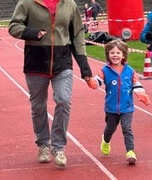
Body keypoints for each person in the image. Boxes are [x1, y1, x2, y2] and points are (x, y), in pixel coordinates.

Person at [8, 0, 96, 167]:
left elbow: (77, 34)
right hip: (36, 62)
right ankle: (43, 145)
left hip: (62, 62)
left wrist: (85, 68)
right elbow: (13, 26)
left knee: (63, 100)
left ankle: (58, 146)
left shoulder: (69, 4)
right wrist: (31, 33)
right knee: (38, 107)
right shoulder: (27, 3)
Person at [89, 39, 151, 164]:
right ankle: (105, 141)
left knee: (127, 128)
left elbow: (136, 84)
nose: (115, 55)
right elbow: (97, 82)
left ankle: (130, 151)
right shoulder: (105, 70)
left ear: (123, 55)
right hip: (111, 108)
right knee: (110, 129)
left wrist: (141, 94)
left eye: (118, 53)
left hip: (127, 107)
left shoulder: (130, 71)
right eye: (112, 53)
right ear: (108, 55)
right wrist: (91, 82)